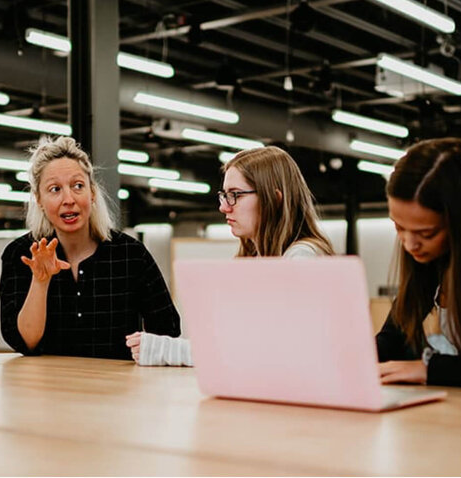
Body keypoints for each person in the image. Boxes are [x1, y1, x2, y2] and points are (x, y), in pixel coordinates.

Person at [127, 145, 334, 365]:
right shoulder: (255, 260)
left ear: (274, 199)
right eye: (224, 195)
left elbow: (265, 354)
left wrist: (167, 350)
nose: (224, 207)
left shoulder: (302, 260)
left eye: (235, 195)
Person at [0, 136, 181, 359]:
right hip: (46, 388)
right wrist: (40, 281)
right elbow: (24, 343)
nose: (68, 199)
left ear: (92, 193)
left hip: (119, 388)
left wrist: (146, 346)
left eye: (78, 186)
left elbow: (168, 330)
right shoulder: (21, 254)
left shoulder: (131, 254)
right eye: (55, 189)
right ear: (39, 200)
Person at [376, 137, 461, 387]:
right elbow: (391, 338)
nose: (409, 244)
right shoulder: (428, 263)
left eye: (427, 234)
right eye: (399, 227)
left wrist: (431, 369)